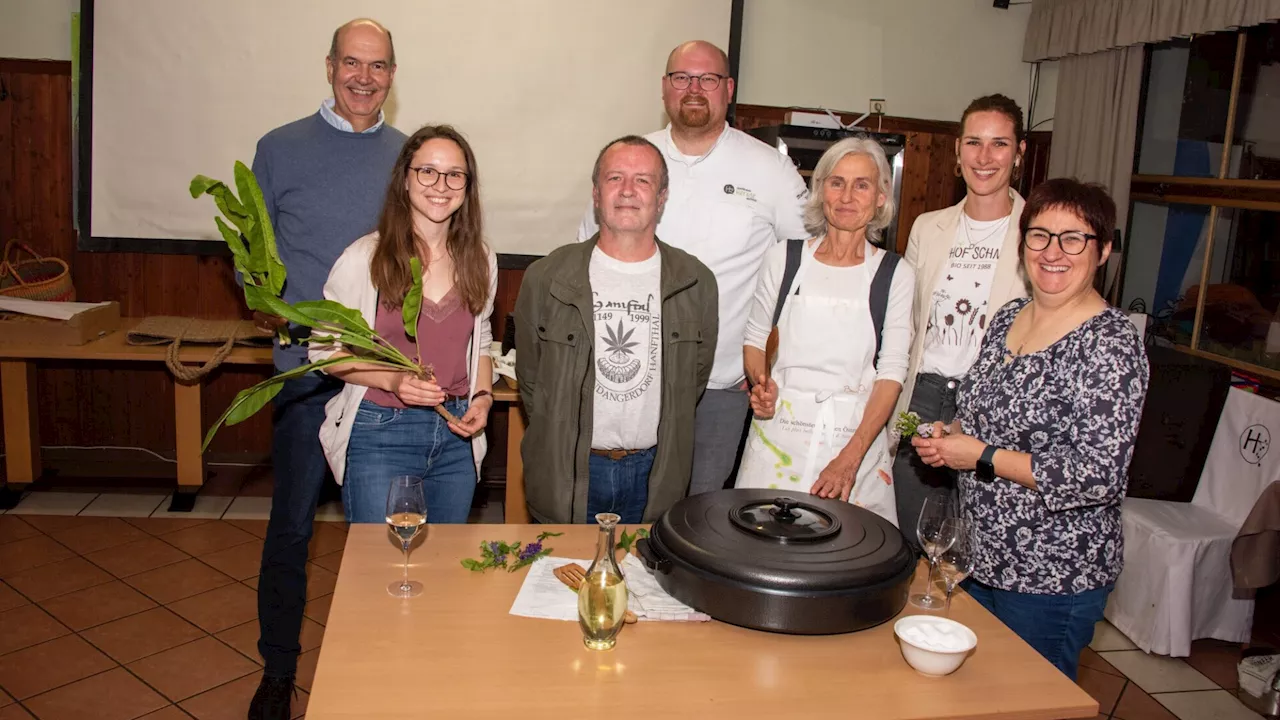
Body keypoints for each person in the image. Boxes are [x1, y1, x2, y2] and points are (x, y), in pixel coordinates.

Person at [910, 179, 1150, 680]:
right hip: (978, 560)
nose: (1053, 252)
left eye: (1073, 238)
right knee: (976, 698)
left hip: (1052, 577)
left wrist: (981, 455)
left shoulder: (1110, 344)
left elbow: (1096, 476)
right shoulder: (1008, 317)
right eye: (1039, 235)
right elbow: (981, 417)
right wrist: (947, 436)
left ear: (1102, 250)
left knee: (1031, 701)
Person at [247, 18, 406, 720]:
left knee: (390, 534)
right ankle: (278, 671)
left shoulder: (411, 158)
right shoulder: (278, 149)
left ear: (393, 75)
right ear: (329, 66)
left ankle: (388, 667)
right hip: (307, 379)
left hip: (388, 383)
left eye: (377, 67)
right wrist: (272, 307)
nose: (363, 78)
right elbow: (252, 260)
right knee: (292, 531)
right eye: (352, 63)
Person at [577, 40, 807, 496]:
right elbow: (584, 261)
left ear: (729, 89)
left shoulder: (772, 170)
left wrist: (767, 362)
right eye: (682, 77)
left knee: (695, 522)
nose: (694, 88)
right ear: (664, 88)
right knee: (616, 511)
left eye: (708, 78)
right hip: (620, 383)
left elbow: (805, 273)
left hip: (718, 389)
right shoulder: (631, 162)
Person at [517, 136, 718, 524]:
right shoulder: (546, 277)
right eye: (615, 178)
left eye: (643, 180)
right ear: (596, 193)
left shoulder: (696, 282)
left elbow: (692, 381)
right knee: (564, 578)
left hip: (655, 475)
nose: (628, 191)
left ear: (661, 198)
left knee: (645, 582)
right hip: (570, 472)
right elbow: (532, 382)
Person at [308, 125, 496, 524]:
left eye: (454, 174)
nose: (440, 185)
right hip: (381, 431)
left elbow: (480, 343)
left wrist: (482, 399)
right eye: (427, 171)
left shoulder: (481, 259)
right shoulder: (365, 258)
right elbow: (323, 351)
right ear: (405, 179)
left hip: (455, 434)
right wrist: (392, 381)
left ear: (467, 185)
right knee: (382, 570)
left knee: (443, 570)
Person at [736, 137, 913, 526]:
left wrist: (849, 460)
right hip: (778, 437)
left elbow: (891, 373)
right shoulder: (785, 257)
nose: (847, 196)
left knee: (846, 561)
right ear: (821, 192)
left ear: (881, 197)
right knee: (763, 552)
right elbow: (755, 339)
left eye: (862, 185)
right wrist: (762, 384)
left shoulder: (894, 274)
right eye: (837, 182)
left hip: (853, 442)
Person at [892, 94, 1030, 551]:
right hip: (925, 397)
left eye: (999, 144)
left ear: (1020, 152)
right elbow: (909, 326)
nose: (984, 158)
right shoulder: (927, 227)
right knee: (914, 536)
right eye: (973, 143)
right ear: (957, 152)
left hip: (993, 402)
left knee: (977, 545)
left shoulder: (1039, 232)